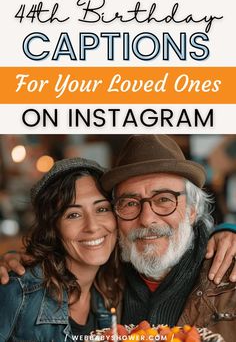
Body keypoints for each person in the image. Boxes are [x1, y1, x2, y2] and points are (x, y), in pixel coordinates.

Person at [100, 135, 236, 341]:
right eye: (129, 203)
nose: (146, 219)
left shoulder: (231, 277)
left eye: (164, 199)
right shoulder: (98, 277)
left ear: (192, 210)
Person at [0, 157, 121, 342]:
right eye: (73, 215)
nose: (92, 226)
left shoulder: (108, 294)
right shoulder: (16, 290)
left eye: (102, 209)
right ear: (53, 228)